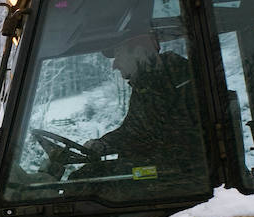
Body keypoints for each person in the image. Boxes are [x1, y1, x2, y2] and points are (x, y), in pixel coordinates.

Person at [83, 32, 196, 166]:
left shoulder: (180, 77)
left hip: (172, 172)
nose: (115, 65)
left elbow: (181, 135)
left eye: (118, 55)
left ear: (137, 52)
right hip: (154, 169)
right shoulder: (145, 85)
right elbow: (133, 131)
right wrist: (102, 144)